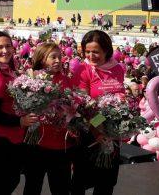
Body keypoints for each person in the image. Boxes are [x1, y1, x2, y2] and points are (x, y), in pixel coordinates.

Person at [0, 31, 38, 195]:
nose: (5, 50)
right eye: (0, 47)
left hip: (13, 134)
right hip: (2, 136)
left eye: (8, 46)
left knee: (9, 180)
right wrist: (19, 122)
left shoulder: (8, 69)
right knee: (5, 181)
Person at [70, 30, 125, 195]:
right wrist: (96, 129)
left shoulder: (117, 69)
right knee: (81, 181)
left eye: (96, 51)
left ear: (106, 50)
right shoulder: (82, 70)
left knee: (107, 182)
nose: (91, 55)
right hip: (90, 133)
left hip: (112, 132)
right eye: (87, 51)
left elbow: (121, 95)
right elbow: (82, 106)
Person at [23, 43, 75, 195]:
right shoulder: (31, 79)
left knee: (61, 188)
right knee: (33, 186)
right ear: (41, 58)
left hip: (61, 145)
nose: (58, 61)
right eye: (53, 57)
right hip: (36, 144)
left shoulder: (66, 79)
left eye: (60, 57)